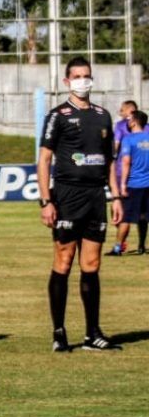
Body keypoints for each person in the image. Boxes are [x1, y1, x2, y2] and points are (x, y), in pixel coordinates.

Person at [36, 56, 123, 352]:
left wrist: (116, 196)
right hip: (66, 195)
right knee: (63, 261)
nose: (82, 81)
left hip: (96, 197)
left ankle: (92, 334)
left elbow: (109, 160)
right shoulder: (58, 115)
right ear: (66, 82)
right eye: (77, 76)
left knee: (92, 264)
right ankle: (59, 332)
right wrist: (45, 201)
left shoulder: (102, 115)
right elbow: (44, 159)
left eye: (86, 76)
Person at [108, 99, 138, 255]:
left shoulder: (120, 125)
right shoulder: (145, 127)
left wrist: (108, 159)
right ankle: (134, 243)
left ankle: (119, 245)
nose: (120, 112)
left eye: (122, 110)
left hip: (121, 174)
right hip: (141, 174)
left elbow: (115, 146)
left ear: (129, 110)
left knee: (120, 210)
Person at [116, 110, 149, 255]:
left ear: (134, 121)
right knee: (144, 216)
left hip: (134, 184)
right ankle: (142, 245)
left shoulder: (128, 140)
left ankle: (117, 248)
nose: (128, 122)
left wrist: (123, 184)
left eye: (129, 119)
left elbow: (126, 161)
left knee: (125, 218)